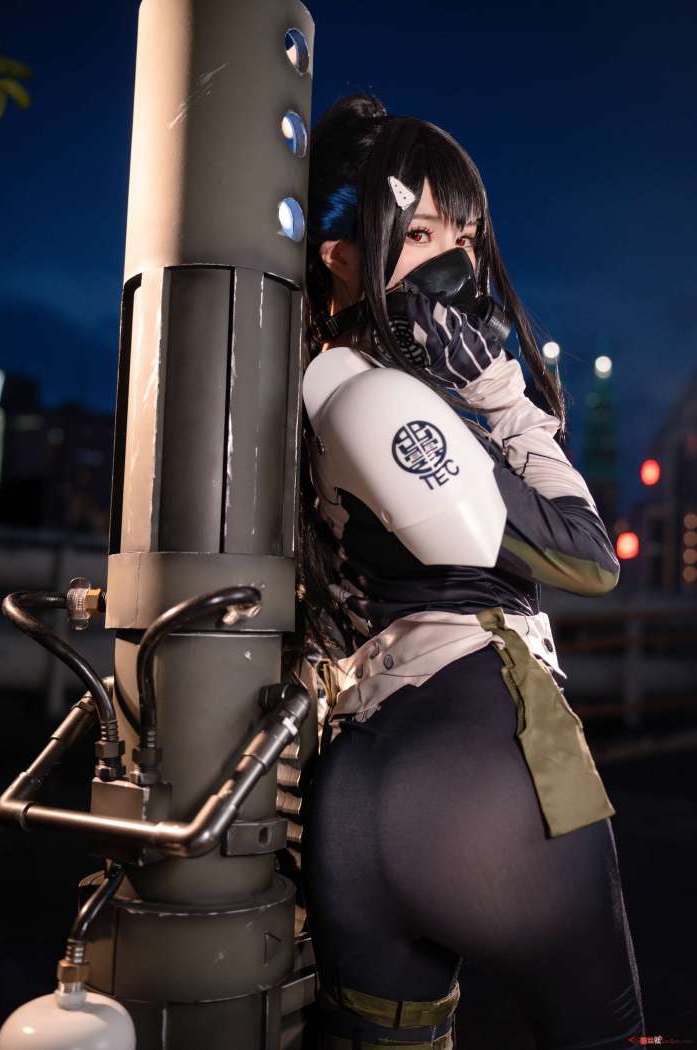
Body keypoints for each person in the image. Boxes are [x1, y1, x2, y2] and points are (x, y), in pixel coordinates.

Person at [290, 93, 644, 1050]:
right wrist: (502, 393)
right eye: (419, 234)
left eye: (467, 235)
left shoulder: (313, 389)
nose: (456, 260)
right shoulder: (382, 397)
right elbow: (586, 555)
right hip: (484, 759)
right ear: (341, 255)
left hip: (355, 788)